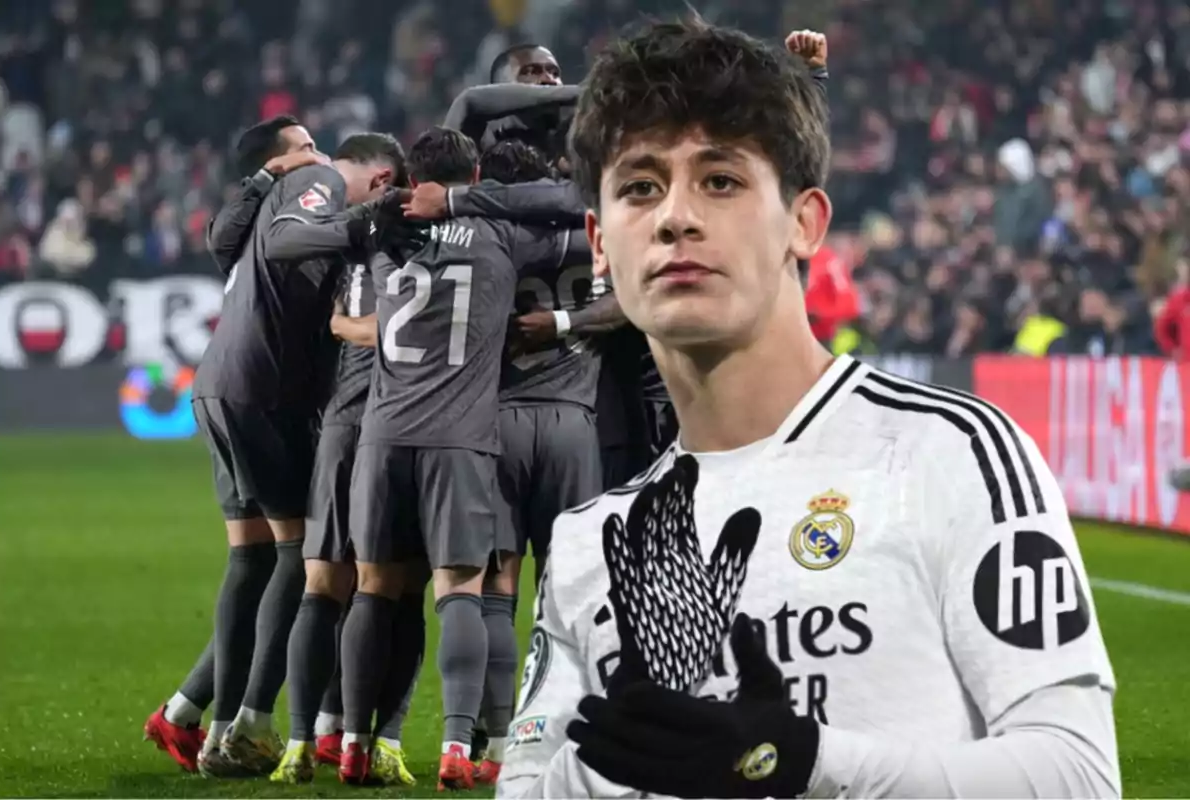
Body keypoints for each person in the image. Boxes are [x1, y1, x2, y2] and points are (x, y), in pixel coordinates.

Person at [498, 16, 1120, 799]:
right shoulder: (591, 542)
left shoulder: (951, 454)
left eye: (720, 180)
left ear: (806, 222)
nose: (674, 217)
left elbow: (1078, 775)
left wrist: (801, 762)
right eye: (639, 187)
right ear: (599, 241)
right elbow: (524, 788)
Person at [339, 127, 588, 791]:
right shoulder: (500, 237)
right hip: (462, 437)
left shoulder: (383, 232)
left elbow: (339, 250)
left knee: (373, 588)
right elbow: (576, 206)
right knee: (462, 592)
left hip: (383, 434)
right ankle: (459, 747)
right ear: (474, 176)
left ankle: (353, 744)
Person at [185, 125, 407, 777]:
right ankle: (252, 723)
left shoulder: (282, 193)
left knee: (251, 555)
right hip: (264, 388)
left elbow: (223, 242)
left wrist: (259, 182)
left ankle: (219, 728)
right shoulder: (324, 185)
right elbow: (282, 244)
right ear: (383, 180)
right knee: (305, 552)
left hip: (221, 383)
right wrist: (366, 224)